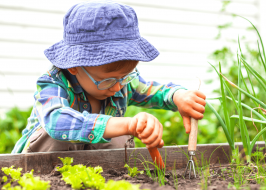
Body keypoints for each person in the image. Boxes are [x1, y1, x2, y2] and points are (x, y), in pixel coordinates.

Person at [12, 0, 206, 153]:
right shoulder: (54, 82)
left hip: (94, 167)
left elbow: (153, 91)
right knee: (56, 134)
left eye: (125, 77)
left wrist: (177, 96)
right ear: (74, 67)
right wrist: (127, 124)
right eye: (108, 80)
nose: (118, 87)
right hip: (38, 166)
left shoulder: (121, 82)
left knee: (119, 136)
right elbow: (56, 121)